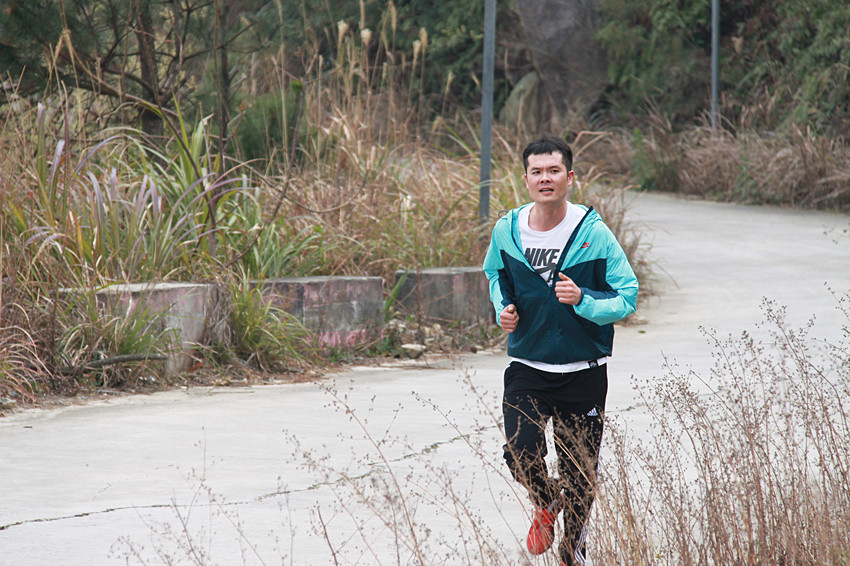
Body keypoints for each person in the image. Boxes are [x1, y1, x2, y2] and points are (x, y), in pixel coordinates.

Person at [482, 136, 638, 565]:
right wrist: (503, 309)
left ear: (569, 177)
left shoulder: (593, 234)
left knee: (580, 472)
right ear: (526, 179)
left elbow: (627, 295)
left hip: (583, 370)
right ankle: (547, 499)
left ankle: (573, 552)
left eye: (553, 171)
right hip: (528, 366)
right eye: (537, 172)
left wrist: (583, 300)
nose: (545, 178)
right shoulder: (507, 230)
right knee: (520, 450)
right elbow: (495, 275)